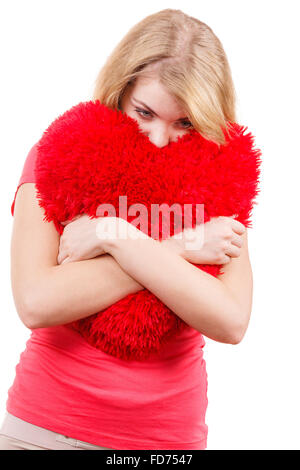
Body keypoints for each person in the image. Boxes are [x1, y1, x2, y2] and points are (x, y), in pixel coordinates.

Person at [0, 8, 253, 450]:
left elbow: (231, 321)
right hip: (43, 430)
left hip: (166, 442)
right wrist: (181, 246)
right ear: (120, 92)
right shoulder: (59, 154)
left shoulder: (217, 179)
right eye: (145, 112)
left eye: (184, 123)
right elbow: (36, 302)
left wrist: (113, 235)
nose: (158, 138)